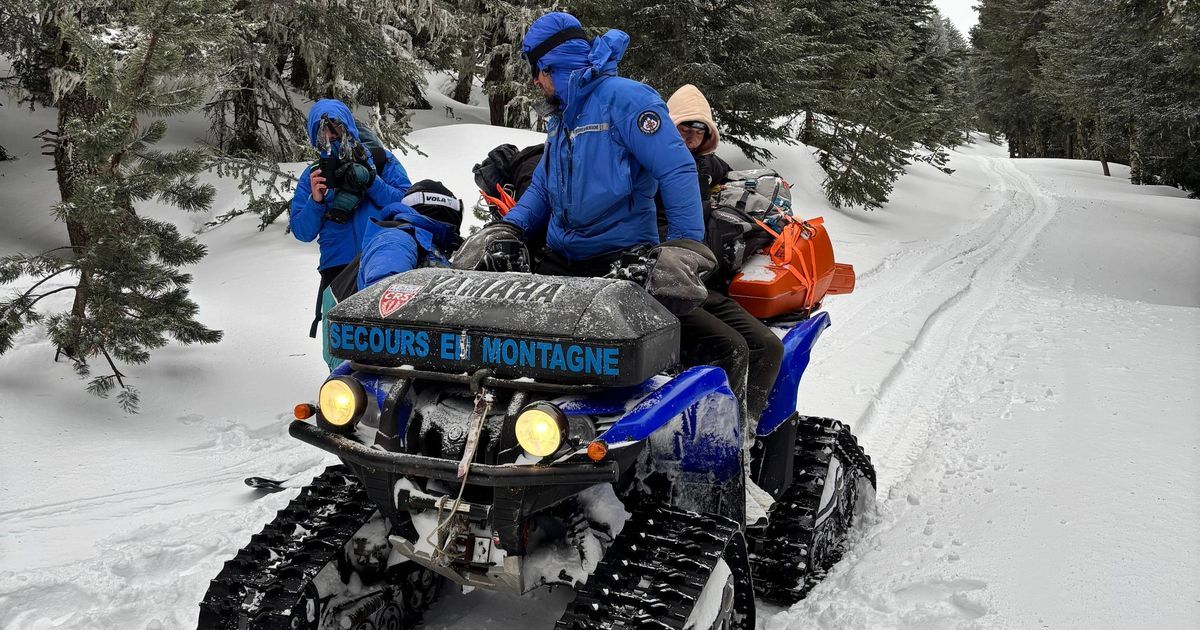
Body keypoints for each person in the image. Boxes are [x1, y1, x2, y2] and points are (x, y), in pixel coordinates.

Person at [453, 12, 751, 405]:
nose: (535, 82)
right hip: (562, 264)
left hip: (626, 266)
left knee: (729, 348)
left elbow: (676, 168)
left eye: (537, 72)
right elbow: (543, 185)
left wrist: (684, 246)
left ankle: (730, 451)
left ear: (553, 66)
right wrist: (508, 228)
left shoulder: (628, 100)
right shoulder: (563, 119)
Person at [663, 84, 785, 427]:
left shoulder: (708, 168)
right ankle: (714, 441)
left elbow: (744, 184)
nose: (691, 135)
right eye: (684, 126)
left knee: (768, 347)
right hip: (660, 282)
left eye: (699, 129)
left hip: (700, 283)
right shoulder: (645, 167)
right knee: (731, 347)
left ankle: (741, 435)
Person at [290, 99, 413, 337]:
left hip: (383, 261)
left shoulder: (380, 160)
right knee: (341, 346)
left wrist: (371, 181)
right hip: (337, 270)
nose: (330, 135)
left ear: (347, 124)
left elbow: (406, 205)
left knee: (388, 340)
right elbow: (302, 231)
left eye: (335, 126)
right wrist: (315, 201)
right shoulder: (313, 174)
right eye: (322, 130)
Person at [320, 180, 464, 370]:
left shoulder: (418, 240)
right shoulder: (396, 240)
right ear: (445, 213)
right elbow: (384, 296)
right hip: (372, 360)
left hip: (381, 353)